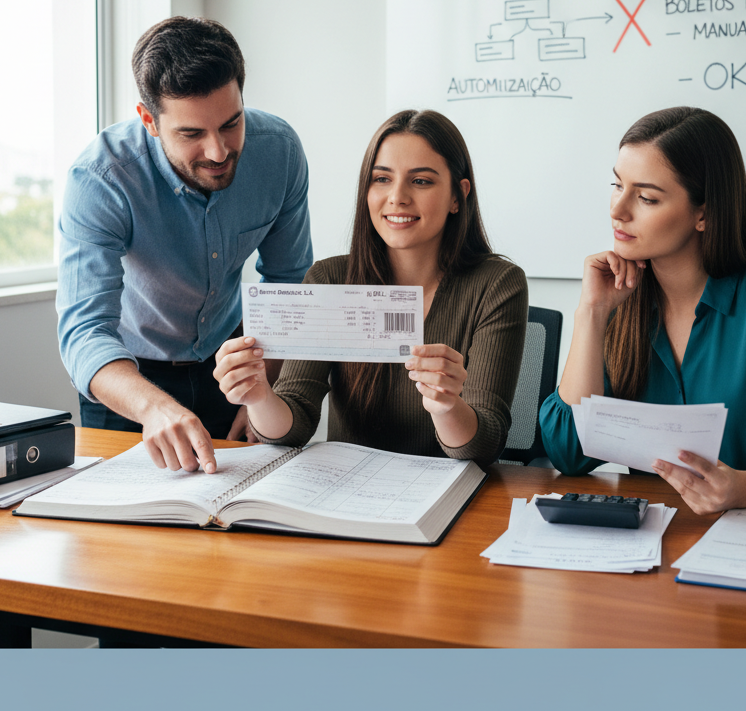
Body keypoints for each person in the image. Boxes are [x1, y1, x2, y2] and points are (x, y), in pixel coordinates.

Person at [539, 106, 746, 513]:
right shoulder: (617, 297)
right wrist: (591, 313)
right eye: (617, 185)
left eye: (646, 197)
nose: (618, 210)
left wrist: (744, 488)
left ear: (703, 213)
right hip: (652, 533)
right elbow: (569, 452)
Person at [57, 17, 313, 475]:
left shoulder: (280, 152)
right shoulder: (101, 179)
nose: (218, 151)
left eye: (231, 123)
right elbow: (85, 331)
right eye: (192, 134)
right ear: (149, 121)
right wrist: (153, 407)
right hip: (129, 380)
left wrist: (263, 389)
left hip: (232, 362)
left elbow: (288, 284)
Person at [213, 109, 528, 467]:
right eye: (381, 179)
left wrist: (447, 406)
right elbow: (293, 427)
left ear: (458, 195)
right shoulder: (329, 278)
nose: (397, 197)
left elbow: (485, 445)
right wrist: (258, 396)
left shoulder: (498, 284)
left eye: (421, 181)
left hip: (450, 491)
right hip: (349, 488)